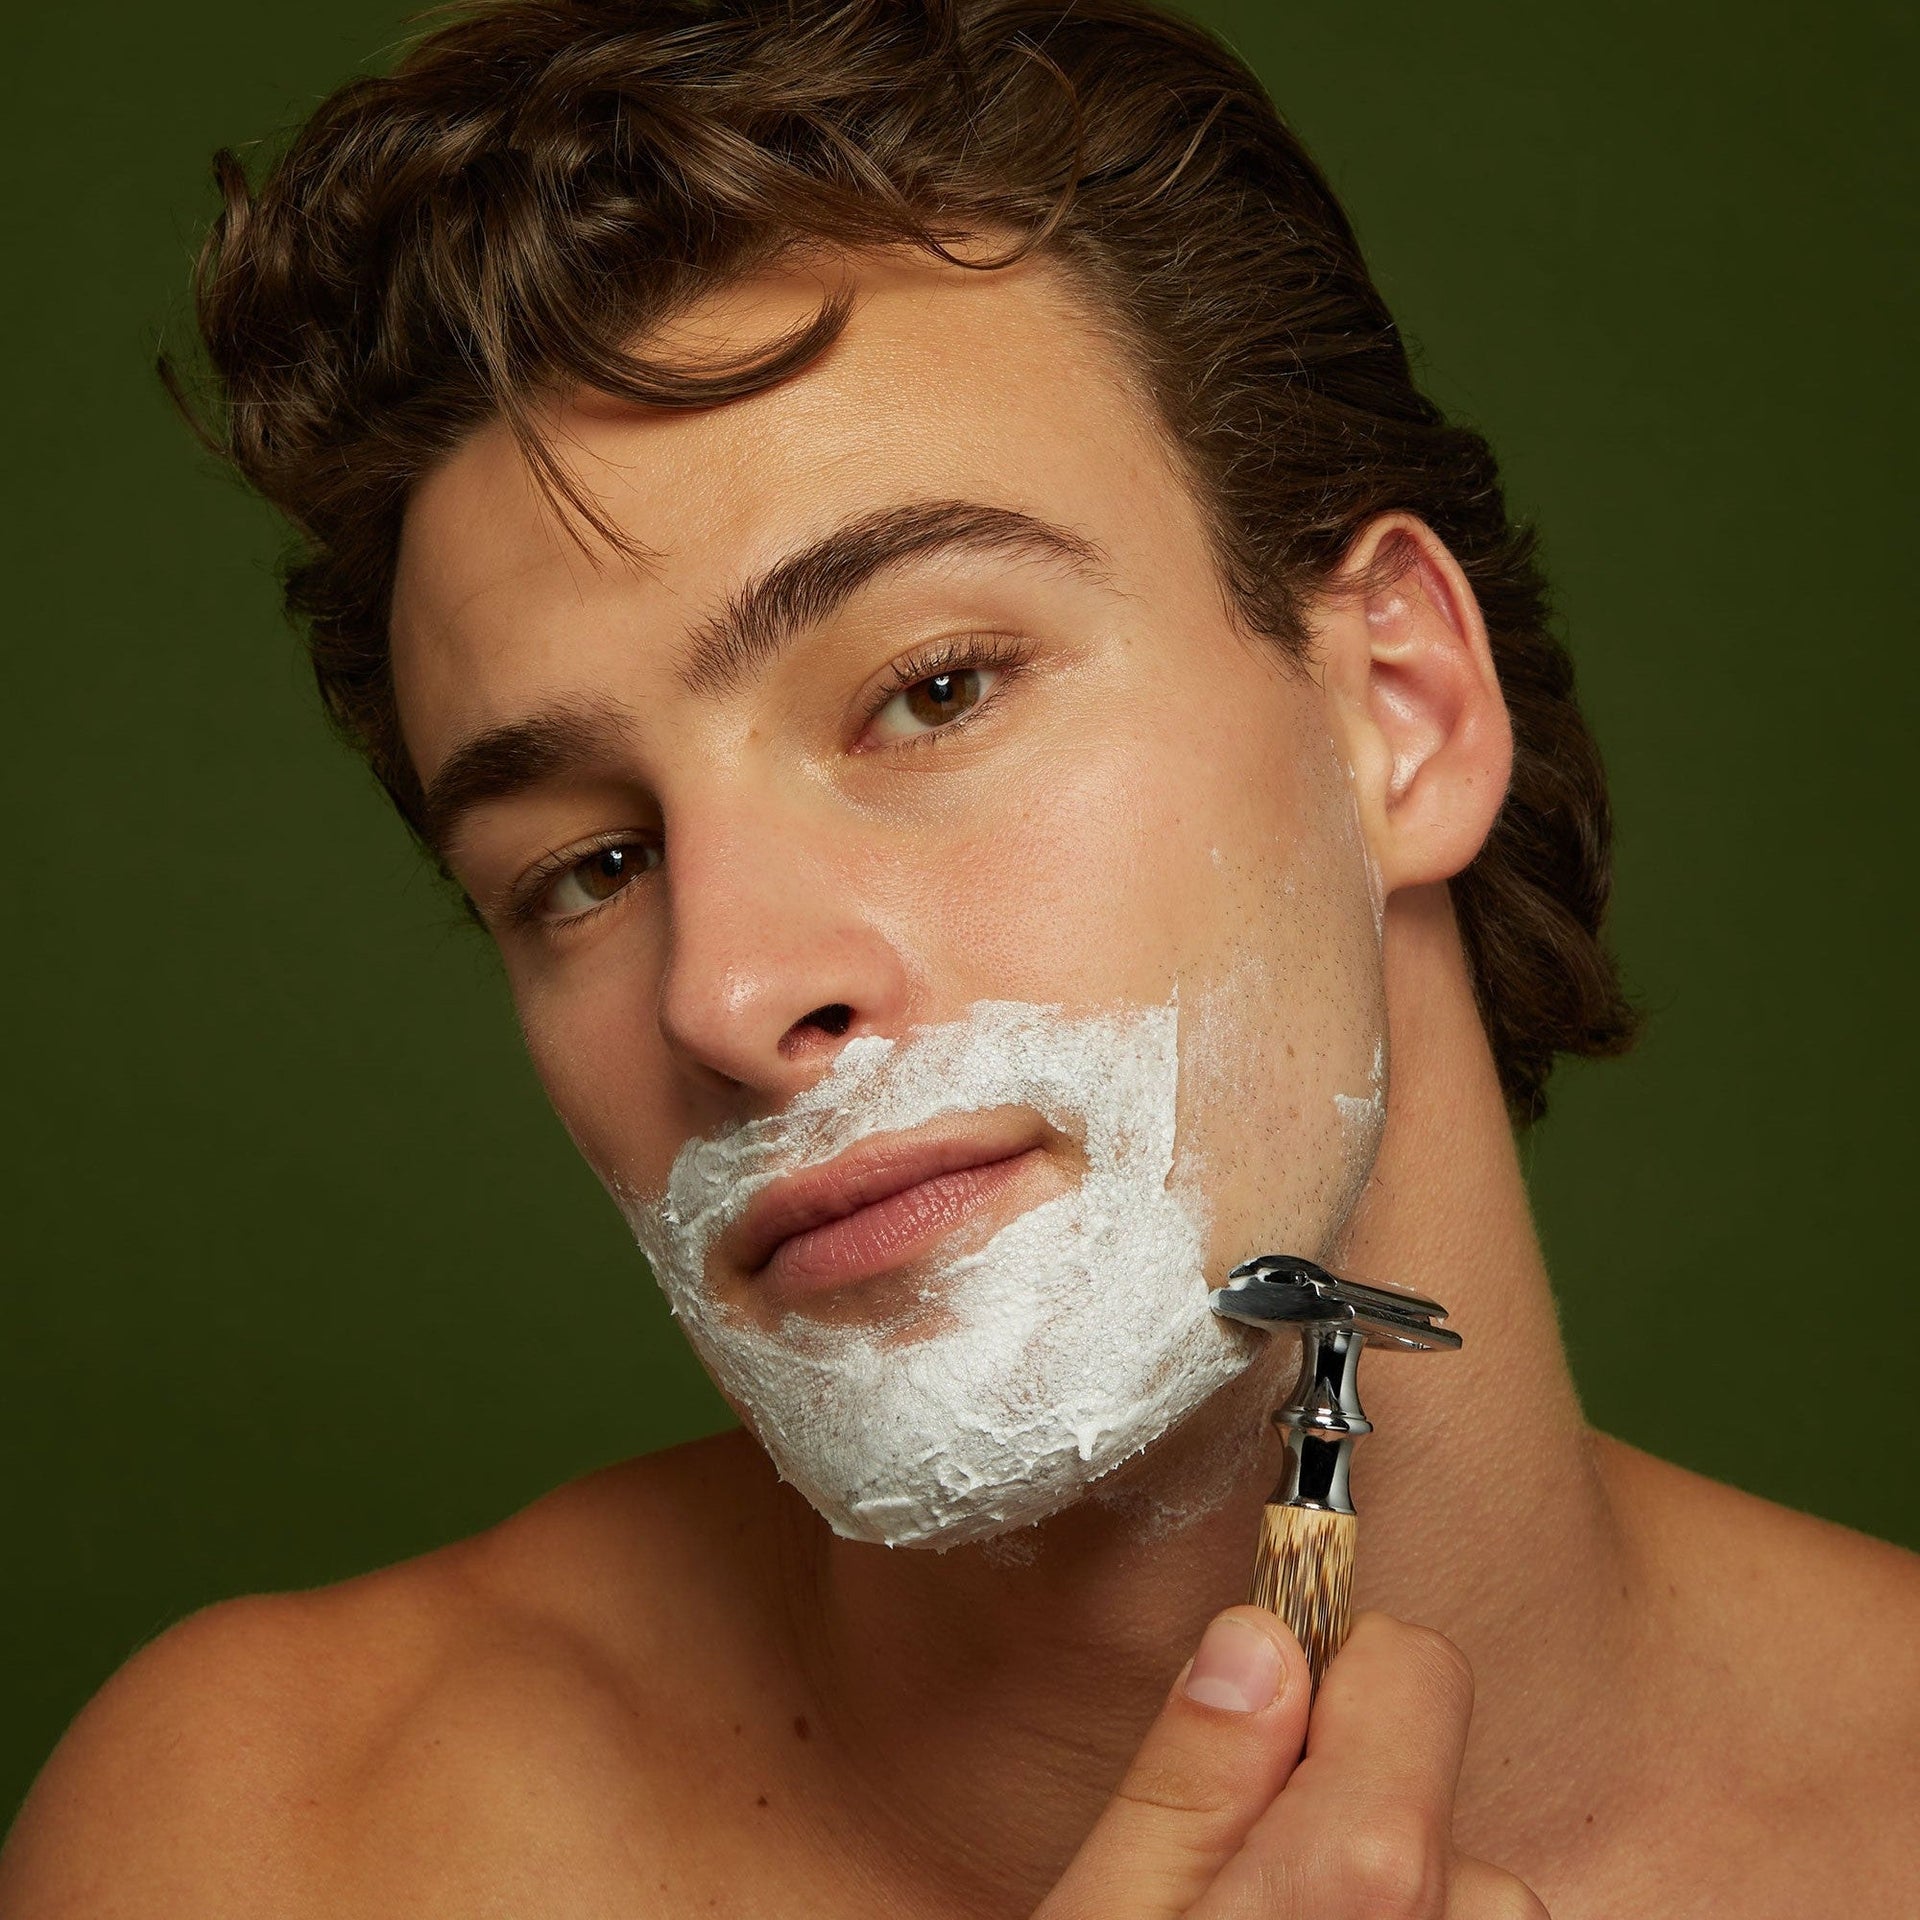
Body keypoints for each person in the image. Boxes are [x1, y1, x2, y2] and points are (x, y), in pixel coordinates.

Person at [3, 2, 1914, 1913]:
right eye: (587, 866)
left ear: (1395, 711)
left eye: (932, 692)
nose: (728, 994)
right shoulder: (276, 1842)